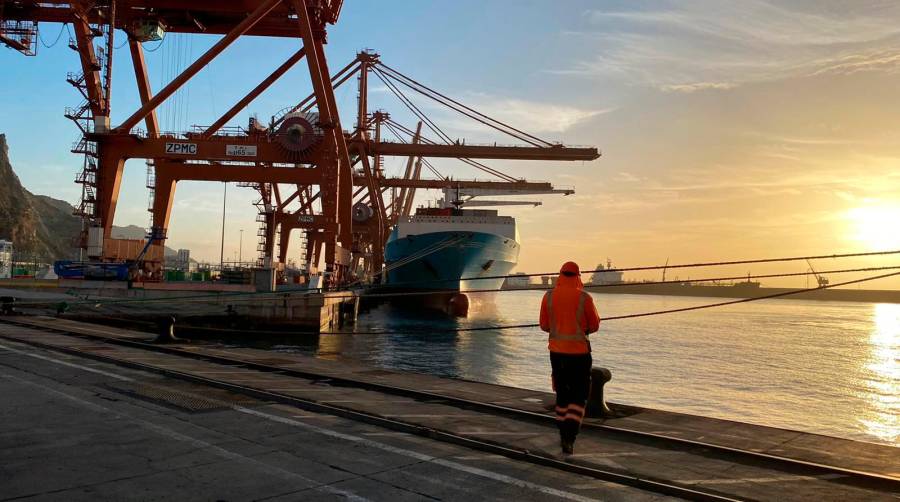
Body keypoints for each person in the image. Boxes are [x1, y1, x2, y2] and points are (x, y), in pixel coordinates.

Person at [539, 261, 600, 454]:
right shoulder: (584, 297)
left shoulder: (548, 296)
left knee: (562, 394)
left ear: (559, 275)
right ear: (578, 276)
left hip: (556, 354)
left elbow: (544, 325)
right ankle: (570, 436)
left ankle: (562, 432)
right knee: (579, 395)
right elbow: (595, 325)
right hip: (579, 354)